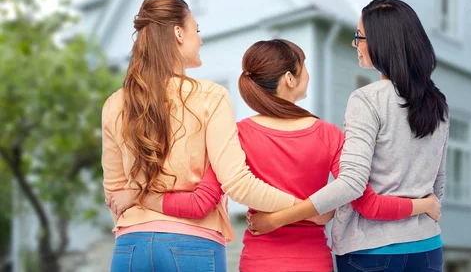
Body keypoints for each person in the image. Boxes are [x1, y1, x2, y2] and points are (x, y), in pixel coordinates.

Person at [108, 39, 441, 272]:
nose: (308, 73)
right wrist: (421, 205)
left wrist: (142, 198)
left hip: (259, 261)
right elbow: (357, 201)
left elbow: (199, 203)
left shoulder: (238, 134)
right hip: (314, 262)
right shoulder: (329, 135)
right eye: (304, 67)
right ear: (290, 78)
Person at [247, 0, 449, 272]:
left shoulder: (366, 100)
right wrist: (424, 207)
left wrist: (278, 218)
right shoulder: (438, 102)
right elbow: (437, 185)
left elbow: (352, 184)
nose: (355, 44)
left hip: (371, 250)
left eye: (359, 37)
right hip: (426, 248)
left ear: (381, 42)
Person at [101, 0, 300, 272]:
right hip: (191, 244)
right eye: (197, 30)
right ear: (178, 33)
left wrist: (141, 210)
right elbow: (237, 182)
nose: (201, 40)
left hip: (130, 246)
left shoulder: (115, 103)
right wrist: (302, 206)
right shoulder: (210, 96)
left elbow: (114, 192)